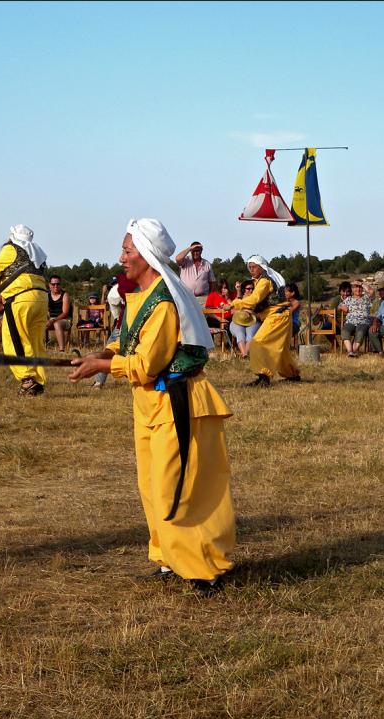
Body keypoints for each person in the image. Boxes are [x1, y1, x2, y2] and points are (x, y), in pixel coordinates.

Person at [69, 218, 234, 597]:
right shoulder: (141, 297)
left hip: (176, 403)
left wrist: (104, 367)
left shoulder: (162, 303)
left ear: (145, 256)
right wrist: (101, 354)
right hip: (149, 405)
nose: (121, 257)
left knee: (177, 488)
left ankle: (203, 568)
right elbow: (129, 345)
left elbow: (146, 364)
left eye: (127, 251)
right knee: (150, 485)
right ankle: (168, 558)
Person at [0, 224, 50, 396]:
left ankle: (27, 379)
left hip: (21, 298)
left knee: (14, 339)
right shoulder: (37, 251)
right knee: (34, 340)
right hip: (41, 298)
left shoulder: (10, 249)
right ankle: (37, 379)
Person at [231, 257, 300, 386]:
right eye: (249, 267)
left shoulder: (264, 281)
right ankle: (292, 375)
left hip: (277, 316)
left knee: (257, 343)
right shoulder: (261, 281)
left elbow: (254, 299)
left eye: (254, 266)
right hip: (280, 316)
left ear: (262, 267)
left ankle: (263, 377)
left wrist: (233, 304)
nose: (251, 269)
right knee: (282, 350)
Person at [174, 241, 213, 306]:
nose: (195, 253)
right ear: (190, 251)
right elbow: (177, 259)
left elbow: (212, 282)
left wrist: (210, 297)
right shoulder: (185, 260)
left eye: (197, 251)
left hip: (203, 299)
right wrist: (190, 248)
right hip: (186, 297)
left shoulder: (207, 264)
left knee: (203, 316)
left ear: (201, 251)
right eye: (193, 251)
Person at [338, 280, 370, 357]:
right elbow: (339, 306)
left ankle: (353, 351)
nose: (358, 289)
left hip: (363, 322)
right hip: (350, 321)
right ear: (352, 289)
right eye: (355, 287)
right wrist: (342, 307)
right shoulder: (348, 299)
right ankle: (350, 352)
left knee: (360, 332)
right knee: (345, 331)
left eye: (360, 287)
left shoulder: (366, 298)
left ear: (362, 288)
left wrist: (361, 283)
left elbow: (371, 291)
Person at [228, 280, 259, 359]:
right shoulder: (239, 299)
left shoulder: (257, 300)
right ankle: (244, 354)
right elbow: (231, 311)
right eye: (248, 289)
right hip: (237, 321)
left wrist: (249, 311)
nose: (251, 290)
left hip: (253, 321)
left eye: (252, 289)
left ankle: (244, 355)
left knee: (250, 335)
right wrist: (241, 311)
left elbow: (260, 316)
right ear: (244, 290)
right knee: (240, 333)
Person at [45, 274, 72, 350]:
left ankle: (61, 350)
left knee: (57, 324)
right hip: (52, 319)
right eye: (53, 284)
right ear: (49, 285)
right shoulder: (46, 295)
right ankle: (42, 347)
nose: (55, 286)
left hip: (65, 319)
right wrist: (47, 319)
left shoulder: (65, 295)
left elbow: (65, 313)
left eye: (58, 284)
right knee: (39, 323)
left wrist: (53, 320)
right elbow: (44, 309)